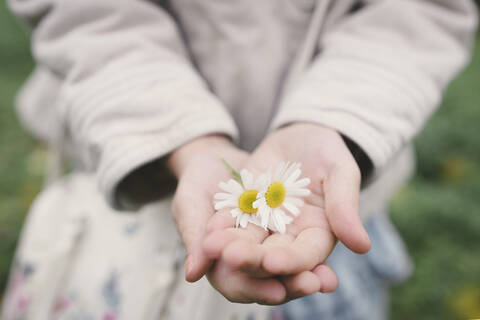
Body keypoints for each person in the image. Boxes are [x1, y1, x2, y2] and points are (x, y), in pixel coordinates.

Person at [2, 0, 477, 319]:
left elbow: (421, 10)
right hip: (131, 162)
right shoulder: (256, 194)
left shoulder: (284, 194)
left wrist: (333, 117)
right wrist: (184, 138)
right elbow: (83, 13)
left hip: (334, 204)